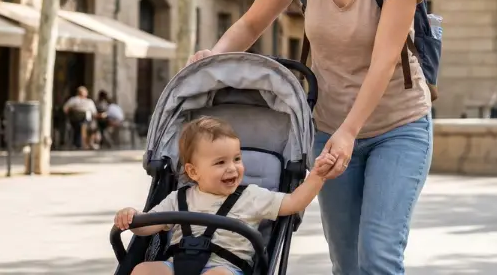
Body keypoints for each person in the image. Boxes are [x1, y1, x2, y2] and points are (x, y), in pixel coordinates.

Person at [188, 0, 431, 274]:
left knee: (378, 255)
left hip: (398, 127)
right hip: (328, 129)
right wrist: (212, 59)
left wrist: (349, 132)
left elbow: (383, 61)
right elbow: (250, 23)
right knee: (346, 262)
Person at [115, 117, 334, 274]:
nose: (232, 168)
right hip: (177, 264)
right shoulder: (178, 198)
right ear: (193, 172)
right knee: (144, 270)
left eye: (237, 159)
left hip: (227, 267)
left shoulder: (252, 196)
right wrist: (132, 217)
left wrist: (318, 176)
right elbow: (147, 227)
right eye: (220, 162)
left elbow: (293, 202)